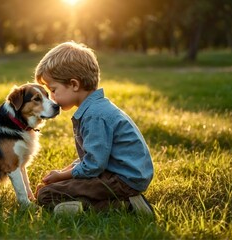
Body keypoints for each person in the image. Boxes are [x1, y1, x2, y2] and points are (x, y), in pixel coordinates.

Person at [34, 41, 154, 215]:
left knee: (46, 195)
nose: (52, 98)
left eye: (53, 90)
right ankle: (81, 206)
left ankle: (127, 206)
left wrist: (61, 177)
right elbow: (93, 157)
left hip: (122, 180)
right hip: (121, 175)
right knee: (52, 189)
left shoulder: (95, 116)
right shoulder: (95, 109)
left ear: (74, 84)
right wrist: (63, 172)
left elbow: (93, 166)